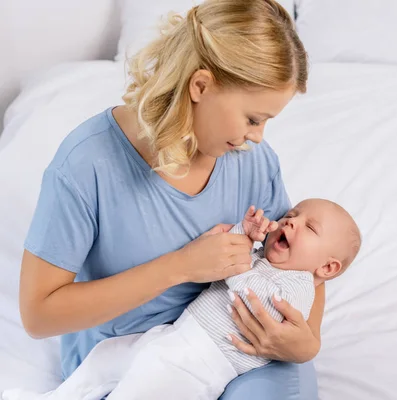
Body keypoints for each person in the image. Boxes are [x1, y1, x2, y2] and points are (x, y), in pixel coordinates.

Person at [17, 1, 322, 398]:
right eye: (252, 119)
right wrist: (180, 267)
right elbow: (39, 314)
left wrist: (307, 341)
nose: (258, 136)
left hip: (235, 348)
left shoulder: (252, 160)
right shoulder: (87, 164)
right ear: (200, 86)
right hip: (128, 358)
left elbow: (302, 261)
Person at [4, 200, 361, 400]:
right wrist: (243, 234)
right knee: (104, 359)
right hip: (170, 338)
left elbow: (256, 301)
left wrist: (230, 263)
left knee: (138, 391)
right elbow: (230, 257)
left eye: (309, 227)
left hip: (198, 366)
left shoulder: (300, 287)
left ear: (327, 268)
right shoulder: (261, 258)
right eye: (292, 216)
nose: (292, 222)